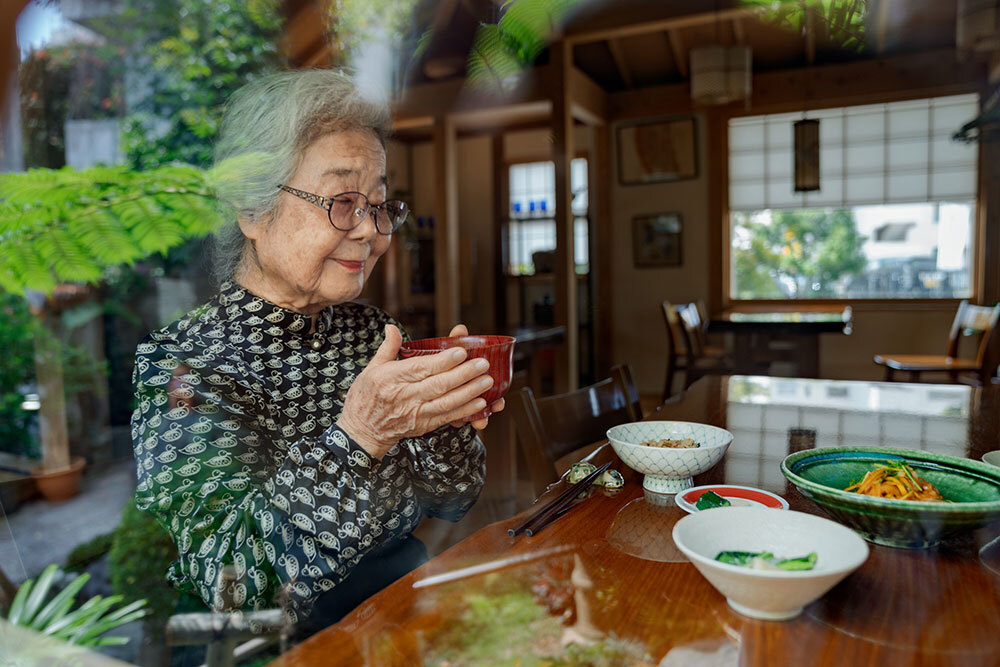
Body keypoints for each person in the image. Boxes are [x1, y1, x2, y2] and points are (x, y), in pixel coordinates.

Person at [130, 69, 501, 638]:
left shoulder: (375, 333)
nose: (371, 232)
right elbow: (229, 586)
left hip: (407, 609)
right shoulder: (183, 366)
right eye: (342, 202)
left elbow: (454, 501)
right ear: (252, 210)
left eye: (378, 205)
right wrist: (360, 437)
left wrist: (442, 419)